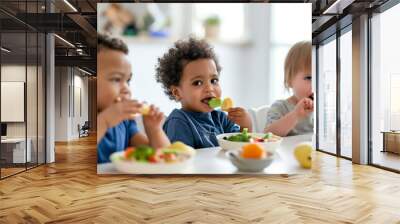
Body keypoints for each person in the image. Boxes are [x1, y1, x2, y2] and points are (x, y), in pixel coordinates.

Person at [156, 37, 252, 149]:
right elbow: (183, 159)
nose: (209, 88)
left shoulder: (221, 118)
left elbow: (239, 149)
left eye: (214, 80)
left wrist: (246, 126)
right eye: (198, 82)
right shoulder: (179, 122)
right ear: (177, 92)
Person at [97, 34, 170, 163]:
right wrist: (105, 121)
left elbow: (163, 156)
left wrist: (154, 130)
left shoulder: (125, 122)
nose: (126, 89)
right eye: (116, 79)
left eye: (128, 80)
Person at [264, 41, 313, 137]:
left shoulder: (327, 108)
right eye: (309, 78)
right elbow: (268, 135)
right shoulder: (281, 107)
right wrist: (295, 115)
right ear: (289, 80)